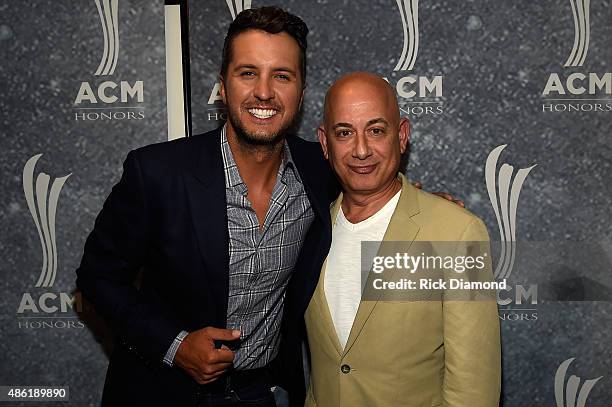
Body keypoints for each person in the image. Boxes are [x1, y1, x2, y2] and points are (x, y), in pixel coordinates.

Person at [76, 7, 336, 407]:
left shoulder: (319, 170)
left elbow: (372, 184)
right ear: (223, 85)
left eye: (281, 75)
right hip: (163, 393)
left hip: (263, 394)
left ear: (300, 93)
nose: (263, 92)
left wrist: (419, 201)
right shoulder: (158, 173)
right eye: (247, 72)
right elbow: (97, 277)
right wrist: (175, 345)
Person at [304, 72, 501, 407]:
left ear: (402, 135)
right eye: (344, 133)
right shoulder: (308, 231)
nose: (361, 149)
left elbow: (474, 390)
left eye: (376, 130)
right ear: (325, 143)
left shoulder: (456, 233)